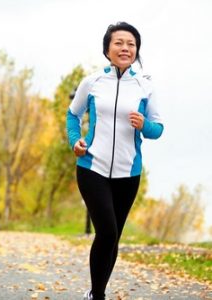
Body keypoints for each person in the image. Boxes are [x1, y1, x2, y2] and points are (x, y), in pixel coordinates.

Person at [66, 22, 164, 300]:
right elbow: (73, 115)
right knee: (107, 232)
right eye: (119, 42)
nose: (125, 48)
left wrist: (144, 125)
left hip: (128, 172)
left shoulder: (145, 86)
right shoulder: (93, 82)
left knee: (114, 237)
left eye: (131, 44)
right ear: (108, 49)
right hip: (92, 166)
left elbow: (158, 129)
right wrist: (75, 141)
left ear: (136, 50)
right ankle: (97, 295)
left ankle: (97, 292)